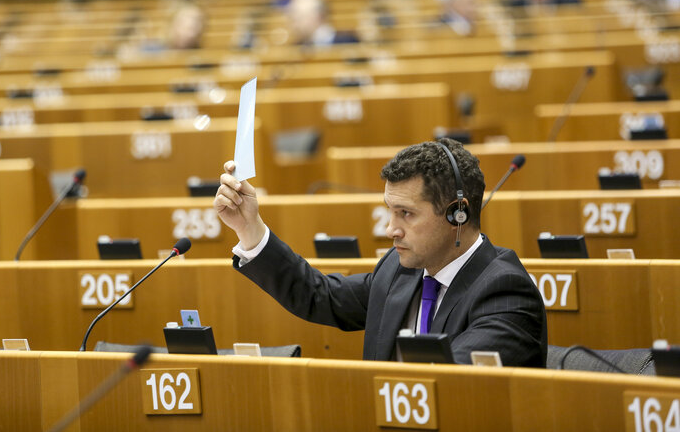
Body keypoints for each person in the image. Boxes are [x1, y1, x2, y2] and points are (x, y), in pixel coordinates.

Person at [214, 139, 547, 366]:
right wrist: (249, 228)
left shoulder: (506, 292)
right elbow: (320, 296)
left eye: (406, 213)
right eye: (389, 211)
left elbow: (444, 384)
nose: (391, 229)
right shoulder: (400, 269)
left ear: (457, 213)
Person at [286, 0, 359, 46]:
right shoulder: (297, 47)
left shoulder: (348, 42)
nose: (294, 25)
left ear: (318, 16)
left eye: (299, 18)